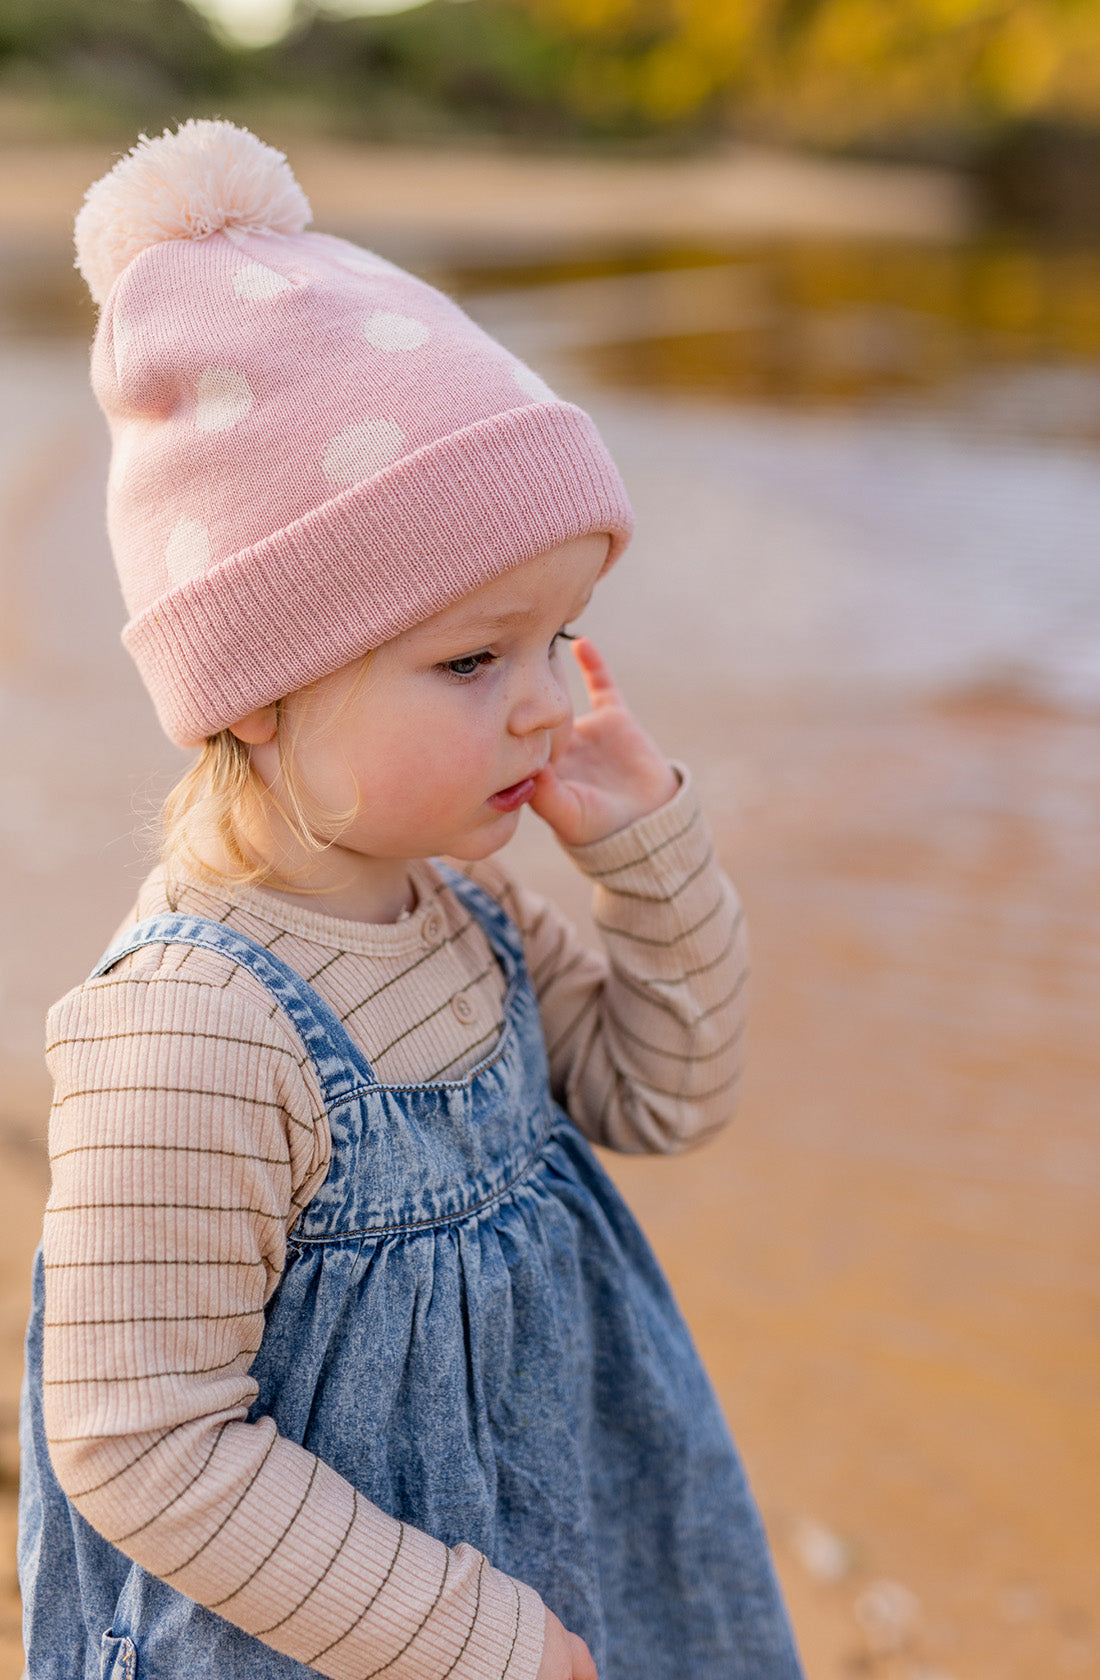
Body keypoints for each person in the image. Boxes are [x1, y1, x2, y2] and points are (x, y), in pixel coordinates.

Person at [18, 120, 804, 1680]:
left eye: (557, 638)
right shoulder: (194, 1028)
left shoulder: (462, 911)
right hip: (344, 1631)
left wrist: (650, 855)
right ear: (258, 689)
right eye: (472, 659)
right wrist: (466, 1634)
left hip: (559, 1544)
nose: (543, 705)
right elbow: (140, 1441)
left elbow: (670, 1093)